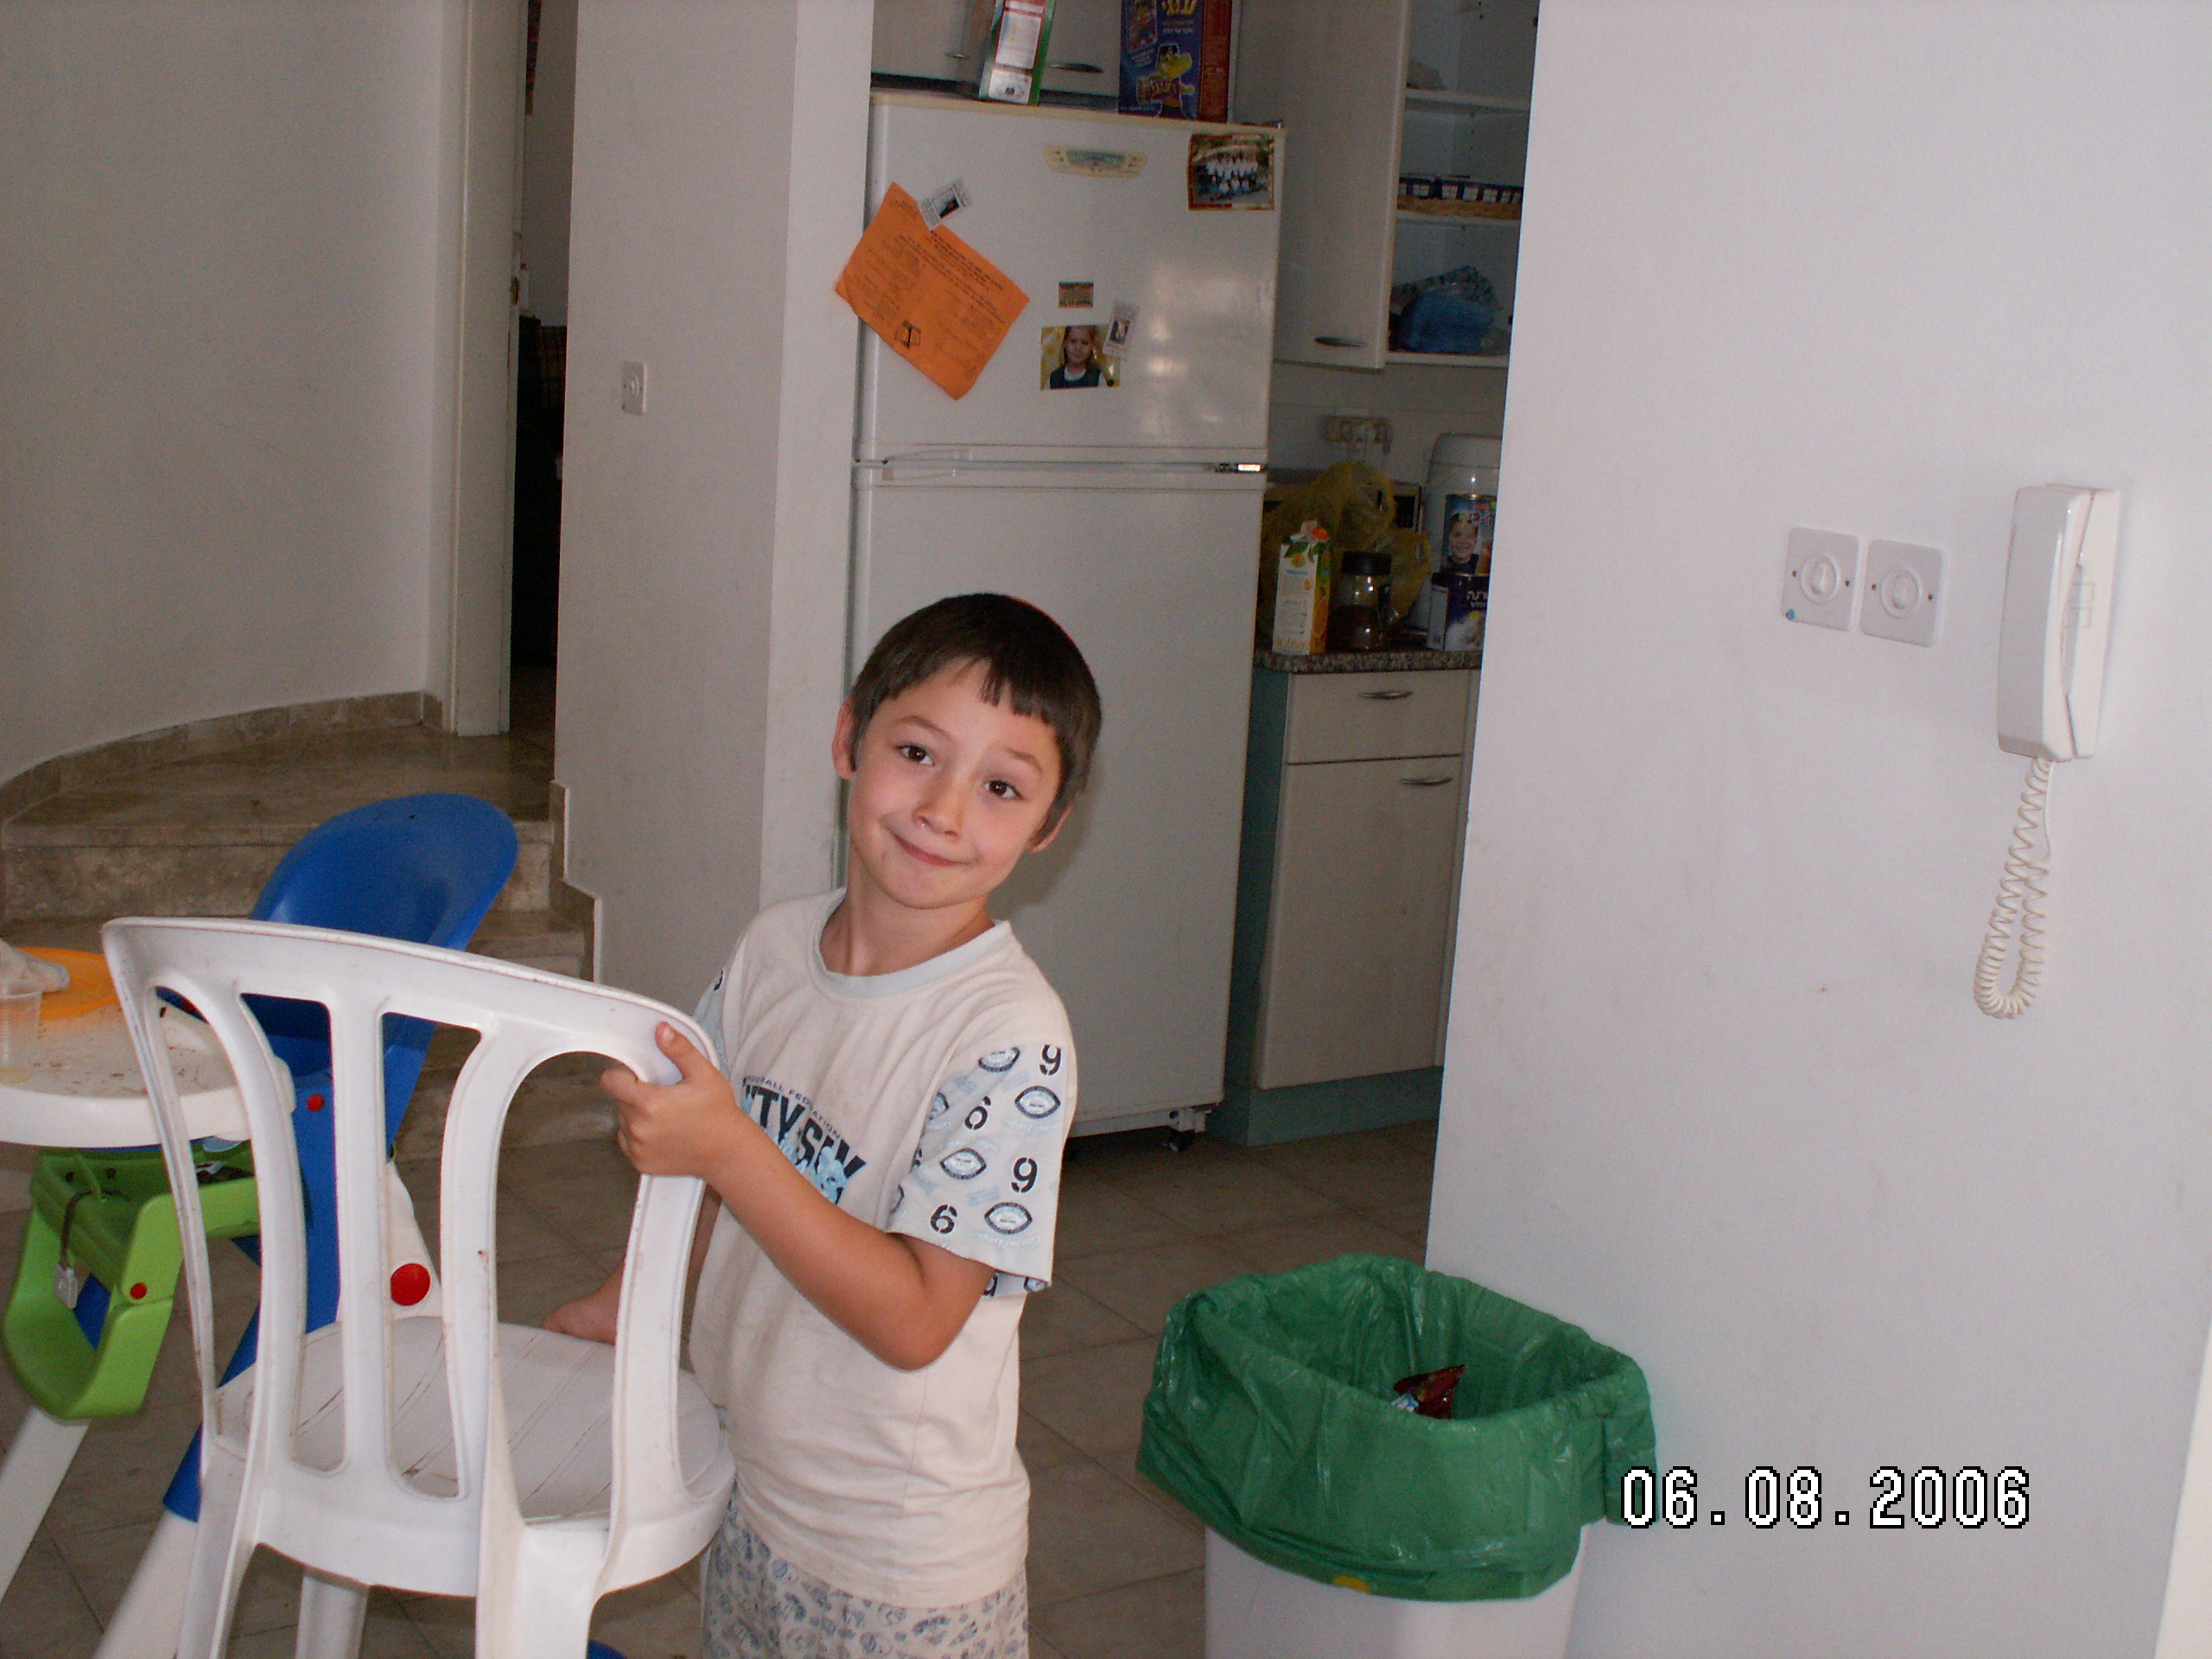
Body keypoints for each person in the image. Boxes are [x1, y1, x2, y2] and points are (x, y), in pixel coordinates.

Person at [544, 593, 1102, 1659]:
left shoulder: (1009, 1036)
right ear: (850, 739)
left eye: (999, 787)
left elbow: (917, 1321)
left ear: (1047, 825)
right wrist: (625, 1302)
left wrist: (730, 1147)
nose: (943, 809)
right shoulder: (771, 949)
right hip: (749, 1486)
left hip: (902, 1565)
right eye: (916, 752)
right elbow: (703, 1171)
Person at [1046, 324, 1103, 389]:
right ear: (1065, 343)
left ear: (1092, 346)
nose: (1078, 348)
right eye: (1073, 341)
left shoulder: (1097, 379)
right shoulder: (1054, 379)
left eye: (1084, 343)